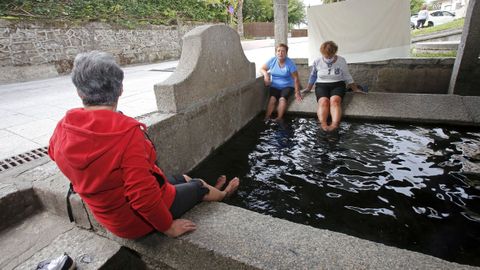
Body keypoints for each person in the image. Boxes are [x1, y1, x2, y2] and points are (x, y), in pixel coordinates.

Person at [48, 51, 239, 239]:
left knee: (183, 177)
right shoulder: (127, 135)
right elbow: (142, 197)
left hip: (110, 216)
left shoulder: (64, 125)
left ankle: (203, 188)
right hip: (135, 223)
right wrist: (168, 227)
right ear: (120, 89)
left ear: (79, 92)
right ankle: (222, 194)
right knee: (199, 186)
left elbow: (53, 153)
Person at [304, 41, 363, 132]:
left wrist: (355, 89)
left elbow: (347, 75)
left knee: (335, 101)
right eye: (325, 55)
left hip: (338, 84)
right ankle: (323, 124)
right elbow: (313, 76)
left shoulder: (341, 60)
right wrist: (308, 88)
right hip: (321, 85)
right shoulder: (317, 61)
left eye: (330, 55)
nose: (327, 57)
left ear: (334, 52)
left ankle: (334, 124)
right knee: (324, 101)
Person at [260, 43, 301, 121]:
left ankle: (279, 118)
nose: (280, 53)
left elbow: (296, 78)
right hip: (275, 85)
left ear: (286, 53)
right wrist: (266, 75)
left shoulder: (290, 63)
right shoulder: (272, 60)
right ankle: (267, 117)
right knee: (272, 99)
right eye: (278, 51)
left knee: (282, 99)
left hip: (288, 86)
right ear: (276, 52)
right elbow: (262, 68)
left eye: (283, 51)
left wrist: (297, 92)